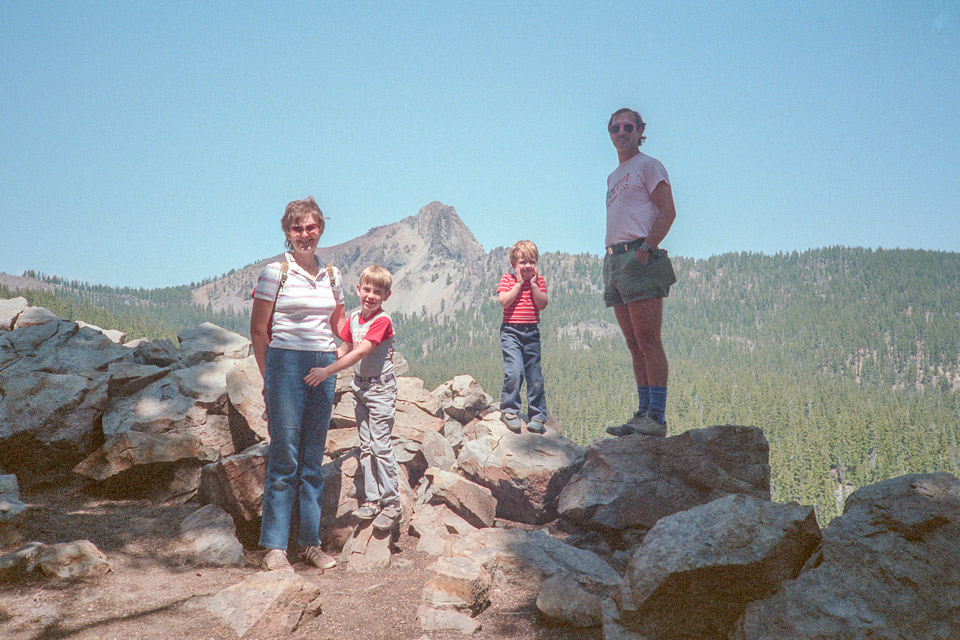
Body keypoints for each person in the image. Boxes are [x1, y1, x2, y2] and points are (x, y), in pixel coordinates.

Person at [250, 196, 345, 572]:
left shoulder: (333, 275)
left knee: (312, 458)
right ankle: (273, 546)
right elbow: (259, 330)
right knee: (285, 455)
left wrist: (365, 338)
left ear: (320, 228)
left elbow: (338, 325)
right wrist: (268, 376)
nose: (305, 234)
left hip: (323, 366)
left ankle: (309, 542)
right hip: (286, 363)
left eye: (311, 227)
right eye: (297, 228)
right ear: (287, 232)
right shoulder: (276, 272)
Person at [304, 265, 402, 531]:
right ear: (358, 289)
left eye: (377, 292)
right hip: (360, 388)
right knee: (367, 445)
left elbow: (360, 353)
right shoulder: (355, 318)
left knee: (380, 445)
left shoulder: (382, 321)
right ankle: (372, 500)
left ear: (386, 295)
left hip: (380, 389)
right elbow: (344, 349)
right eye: (366, 290)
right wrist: (317, 361)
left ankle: (392, 503)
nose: (370, 296)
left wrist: (326, 372)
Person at [603, 108, 678, 438]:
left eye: (628, 127)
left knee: (649, 339)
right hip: (615, 260)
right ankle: (643, 413)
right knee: (634, 342)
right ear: (609, 132)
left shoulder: (649, 165)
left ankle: (656, 417)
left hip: (639, 255)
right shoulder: (613, 176)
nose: (622, 132)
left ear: (639, 131)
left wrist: (647, 249)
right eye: (616, 127)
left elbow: (668, 210)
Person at [496, 240, 549, 435]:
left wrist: (533, 285)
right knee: (515, 371)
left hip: (532, 333)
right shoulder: (508, 279)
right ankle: (509, 410)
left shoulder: (539, 281)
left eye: (531, 262)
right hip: (511, 332)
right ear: (513, 264)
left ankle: (537, 415)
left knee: (535, 376)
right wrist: (519, 284)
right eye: (522, 262)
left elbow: (543, 304)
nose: (527, 266)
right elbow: (504, 301)